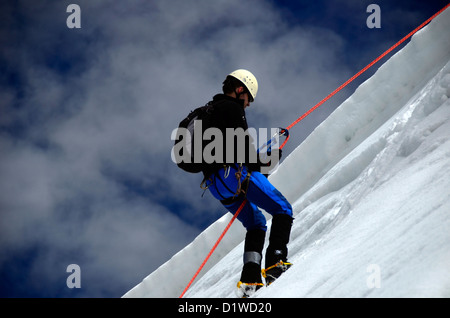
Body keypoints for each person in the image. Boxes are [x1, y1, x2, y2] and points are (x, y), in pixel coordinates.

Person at [201, 69, 293, 297]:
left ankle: (250, 279)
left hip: (216, 185)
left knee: (257, 223)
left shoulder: (207, 112)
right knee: (282, 208)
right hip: (234, 174)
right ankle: (276, 262)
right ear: (240, 89)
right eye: (248, 98)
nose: (248, 105)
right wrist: (266, 161)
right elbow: (244, 149)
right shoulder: (232, 108)